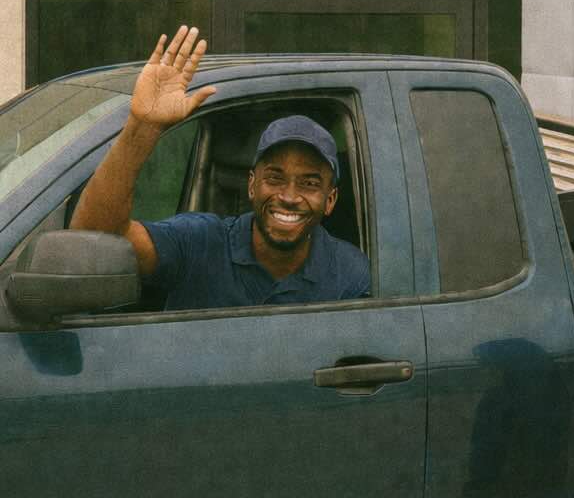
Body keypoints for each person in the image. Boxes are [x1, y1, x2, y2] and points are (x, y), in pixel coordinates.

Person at [70, 25, 370, 308]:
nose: (289, 196)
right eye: (275, 177)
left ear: (330, 200)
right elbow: (95, 240)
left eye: (309, 183)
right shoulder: (199, 241)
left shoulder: (349, 272)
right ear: (252, 185)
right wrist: (143, 125)